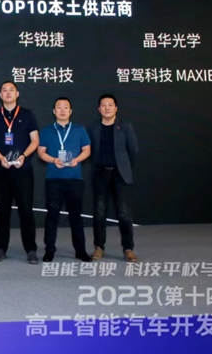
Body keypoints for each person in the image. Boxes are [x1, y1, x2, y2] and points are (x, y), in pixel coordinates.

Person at [0, 81, 40, 264]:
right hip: (2, 170)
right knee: (2, 211)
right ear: (0, 95)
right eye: (4, 90)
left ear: (17, 94)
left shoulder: (27, 115)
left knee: (26, 210)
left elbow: (35, 141)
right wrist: (0, 157)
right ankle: (1, 248)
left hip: (23, 170)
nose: (8, 93)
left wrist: (24, 156)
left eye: (11, 90)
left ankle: (31, 249)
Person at [37, 97, 92, 262]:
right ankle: (49, 250)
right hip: (53, 180)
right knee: (52, 216)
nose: (62, 110)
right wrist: (53, 160)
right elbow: (41, 152)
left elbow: (87, 150)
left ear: (70, 111)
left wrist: (77, 160)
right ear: (54, 111)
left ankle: (80, 250)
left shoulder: (79, 129)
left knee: (76, 216)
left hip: (74, 179)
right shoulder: (46, 130)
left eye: (65, 107)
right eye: (59, 107)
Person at [87, 94, 140, 262]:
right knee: (99, 212)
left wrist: (124, 168)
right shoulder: (93, 128)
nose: (107, 108)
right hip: (100, 174)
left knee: (124, 213)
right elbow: (88, 151)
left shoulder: (124, 126)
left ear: (116, 108)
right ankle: (99, 247)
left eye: (110, 105)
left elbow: (133, 151)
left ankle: (128, 248)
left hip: (120, 175)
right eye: (103, 105)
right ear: (99, 109)